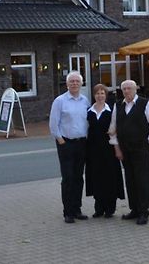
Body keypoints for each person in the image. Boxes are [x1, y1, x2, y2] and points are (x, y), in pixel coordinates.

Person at [108, 79, 149, 225]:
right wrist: (116, 147)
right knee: (130, 179)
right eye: (124, 89)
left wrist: (147, 144)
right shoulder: (118, 105)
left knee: (142, 179)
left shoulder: (145, 104)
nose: (126, 91)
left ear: (135, 89)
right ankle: (134, 209)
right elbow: (113, 128)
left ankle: (144, 211)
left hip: (141, 148)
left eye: (129, 88)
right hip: (125, 149)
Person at [49, 71, 89, 224]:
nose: (74, 84)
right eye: (71, 81)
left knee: (79, 178)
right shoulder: (60, 101)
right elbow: (53, 123)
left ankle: (77, 209)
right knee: (68, 178)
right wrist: (60, 140)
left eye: (77, 81)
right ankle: (68, 212)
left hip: (81, 143)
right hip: (66, 144)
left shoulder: (85, 101)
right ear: (67, 84)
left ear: (81, 83)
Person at [85, 84, 124, 218]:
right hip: (93, 150)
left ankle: (110, 208)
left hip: (109, 150)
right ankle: (99, 208)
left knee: (110, 178)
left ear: (106, 95)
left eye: (102, 93)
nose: (100, 96)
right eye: (97, 93)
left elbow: (115, 132)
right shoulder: (89, 111)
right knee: (97, 178)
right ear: (94, 95)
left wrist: (117, 149)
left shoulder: (112, 111)